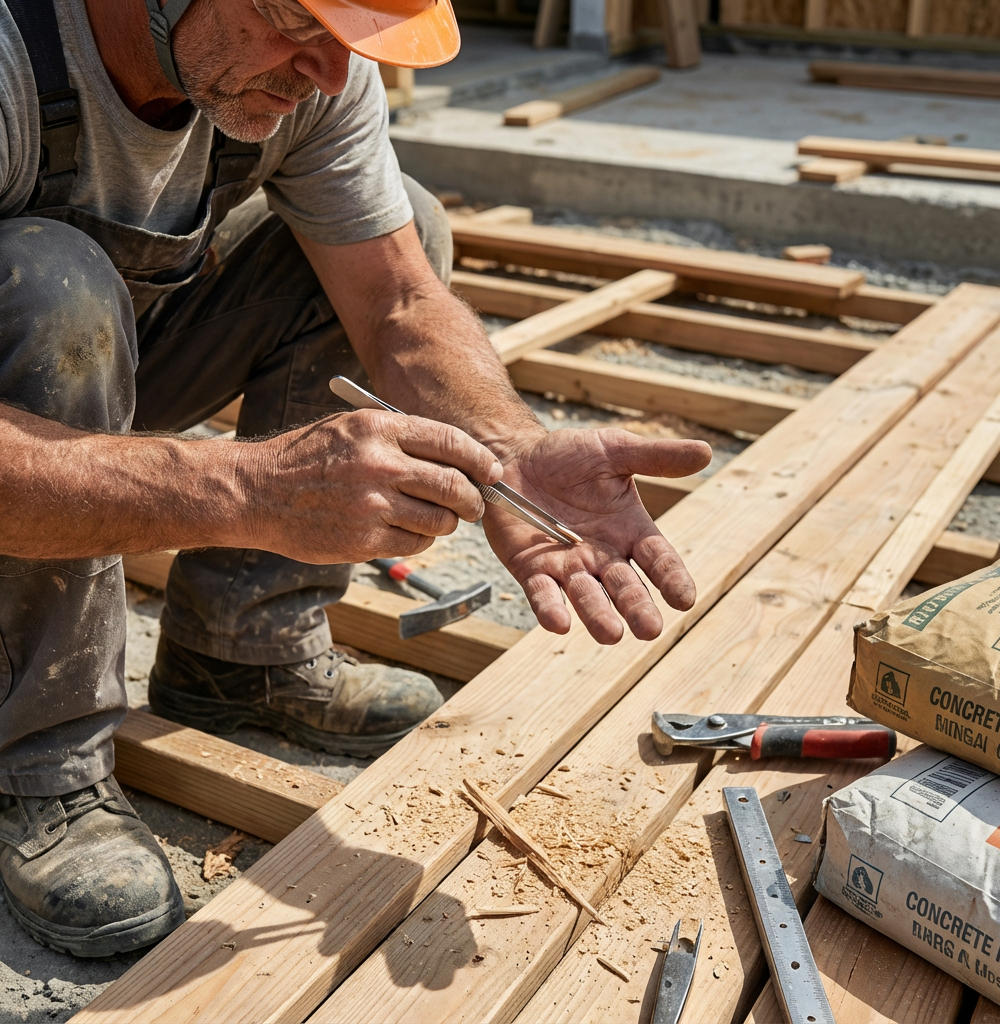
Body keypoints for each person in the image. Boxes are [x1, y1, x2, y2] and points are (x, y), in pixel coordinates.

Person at [0, 0, 712, 957]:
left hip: (121, 351)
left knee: (396, 224)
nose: (330, 74)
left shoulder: (313, 71)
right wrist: (250, 491)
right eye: (299, 25)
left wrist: (509, 447)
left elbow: (398, 301)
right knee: (50, 280)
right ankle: (34, 762)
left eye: (348, 41)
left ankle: (241, 654)